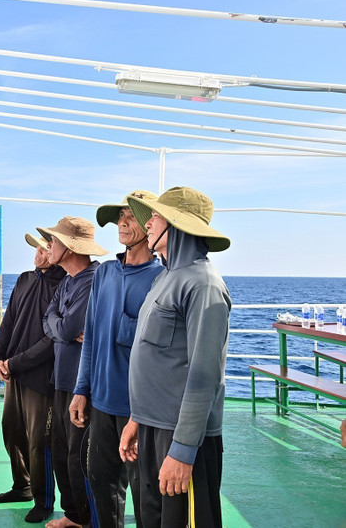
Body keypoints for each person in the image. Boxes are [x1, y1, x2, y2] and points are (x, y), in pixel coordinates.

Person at [119, 186, 231, 528]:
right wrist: (138, 419)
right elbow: (156, 359)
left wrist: (183, 450)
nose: (147, 224)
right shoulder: (166, 277)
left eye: (154, 216)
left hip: (183, 439)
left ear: (176, 224)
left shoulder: (203, 283)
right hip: (153, 429)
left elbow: (204, 375)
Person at [69, 191, 164, 528]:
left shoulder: (161, 278)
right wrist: (82, 389)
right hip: (102, 403)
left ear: (151, 224)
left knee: (145, 493)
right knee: (102, 482)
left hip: (139, 408)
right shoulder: (105, 273)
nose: (122, 223)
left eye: (131, 216)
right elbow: (91, 336)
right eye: (119, 217)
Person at [0, 232, 66, 523]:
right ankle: (21, 486)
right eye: (37, 246)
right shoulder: (23, 279)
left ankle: (44, 500)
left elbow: (51, 340)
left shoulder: (63, 285)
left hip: (42, 378)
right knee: (12, 432)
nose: (38, 251)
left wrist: (15, 363)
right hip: (15, 375)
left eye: (46, 247)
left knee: (40, 442)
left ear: (58, 251)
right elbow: (8, 322)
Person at [40, 217, 107, 528]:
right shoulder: (67, 282)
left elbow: (64, 326)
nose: (49, 246)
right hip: (61, 378)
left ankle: (86, 518)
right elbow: (51, 321)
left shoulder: (93, 281)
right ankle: (73, 514)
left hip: (83, 384)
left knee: (79, 457)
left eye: (53, 241)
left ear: (69, 247)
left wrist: (62, 327)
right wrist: (62, 328)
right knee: (60, 449)